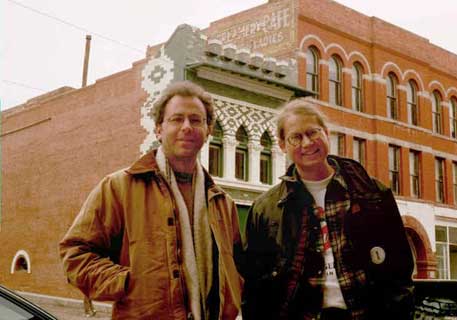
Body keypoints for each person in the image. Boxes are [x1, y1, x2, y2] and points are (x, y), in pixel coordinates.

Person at [59, 81, 243, 320]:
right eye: (177, 119)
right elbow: (75, 254)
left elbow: (237, 269)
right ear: (158, 129)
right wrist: (126, 282)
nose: (187, 127)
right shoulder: (119, 187)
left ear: (208, 131)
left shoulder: (222, 203)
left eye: (196, 120)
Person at [237, 99, 414, 320]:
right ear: (282, 145)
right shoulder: (266, 209)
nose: (307, 143)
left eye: (313, 132)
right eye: (296, 137)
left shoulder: (373, 195)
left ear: (326, 133)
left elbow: (401, 272)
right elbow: (254, 287)